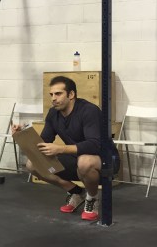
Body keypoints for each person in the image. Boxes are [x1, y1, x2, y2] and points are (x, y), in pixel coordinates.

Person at [13, 76, 102, 221]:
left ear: (71, 94)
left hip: (102, 159)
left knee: (85, 161)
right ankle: (76, 192)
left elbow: (95, 145)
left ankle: (92, 198)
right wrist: (22, 134)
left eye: (58, 94)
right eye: (51, 94)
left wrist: (61, 149)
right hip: (74, 159)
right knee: (32, 164)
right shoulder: (53, 113)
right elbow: (43, 143)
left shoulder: (89, 110)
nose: (53, 98)